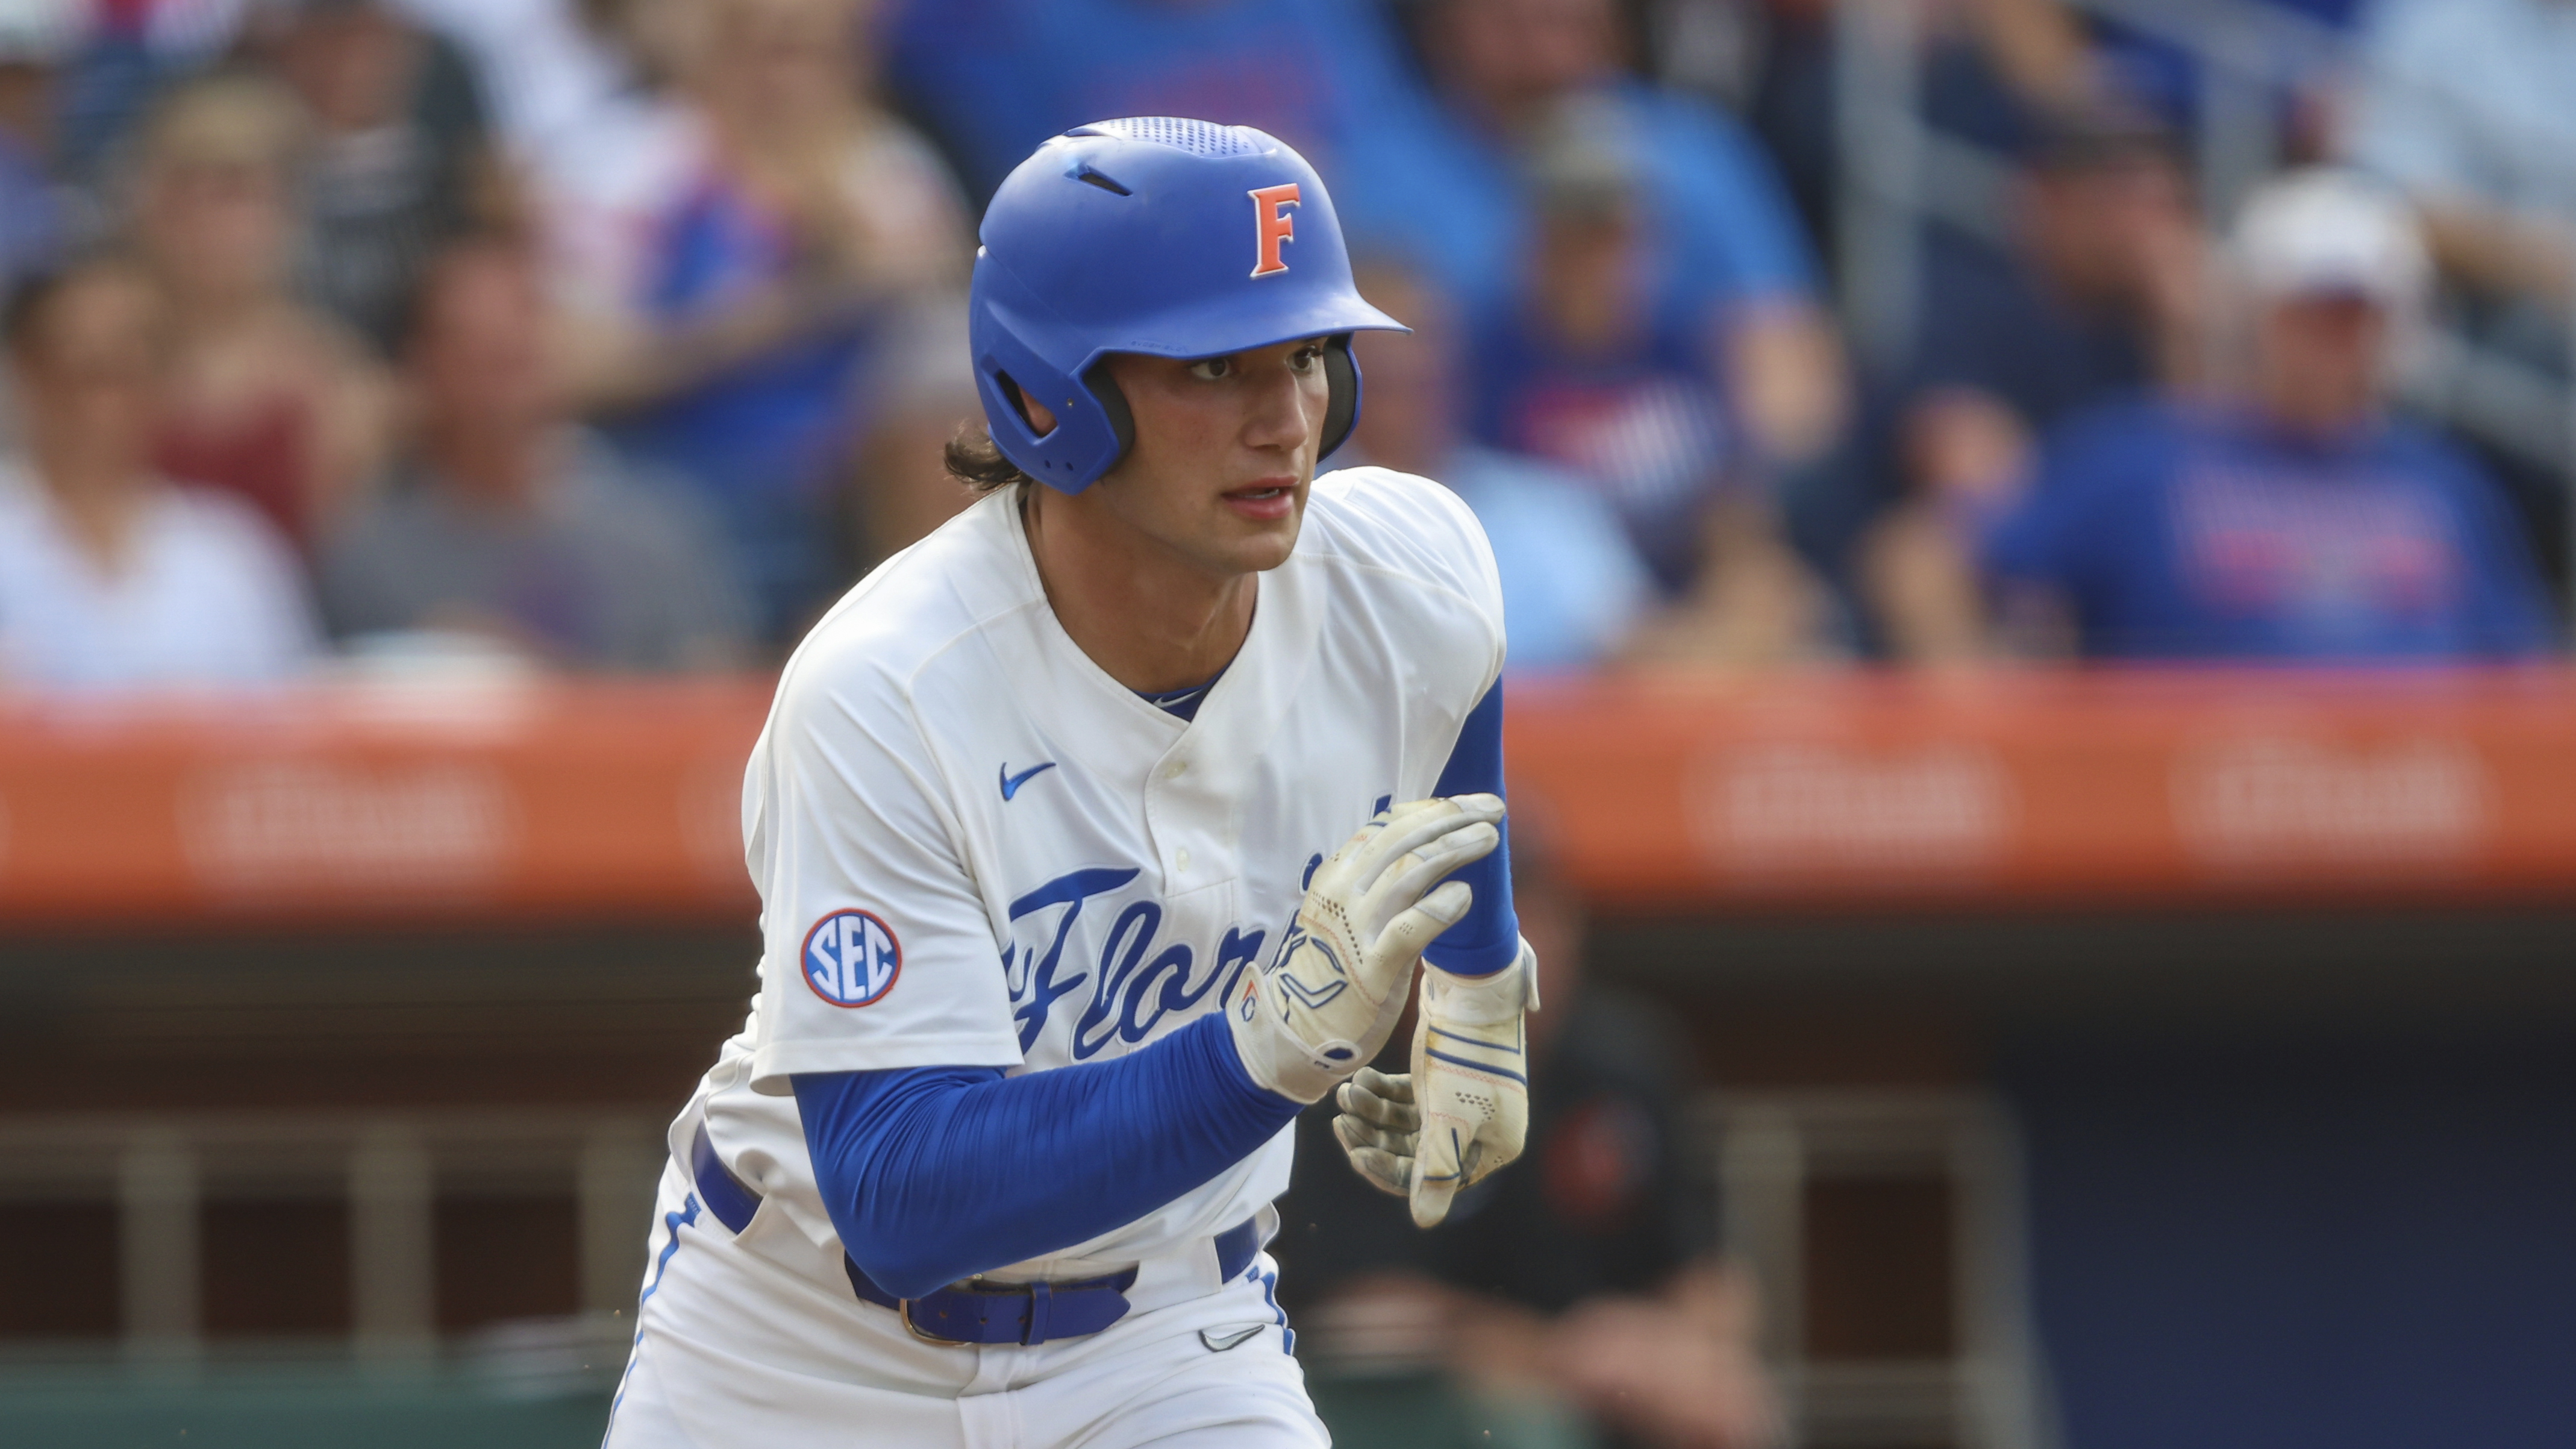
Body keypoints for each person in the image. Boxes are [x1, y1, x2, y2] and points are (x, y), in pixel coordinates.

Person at [602, 119, 1543, 1449]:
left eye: (1309, 357)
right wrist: (1259, 1055)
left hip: (1169, 1334)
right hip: (802, 1344)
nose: (1285, 417)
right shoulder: (887, 684)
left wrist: (1477, 989)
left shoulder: (1411, 572)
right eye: (1214, 364)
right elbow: (899, 1196)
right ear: (1049, 394)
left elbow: (1460, 673)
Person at [1282, 832, 1780, 1449]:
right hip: (1435, 1404)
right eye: (1481, 925)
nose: (1517, 954)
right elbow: (1370, 1307)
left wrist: (1680, 1355)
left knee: (1735, 1405)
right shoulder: (1356, 1077)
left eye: (1535, 916)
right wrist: (1568, 1358)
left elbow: (1709, 1274)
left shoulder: (1622, 1059)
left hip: (1616, 1386)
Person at [1971, 171, 2556, 661]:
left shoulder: (2447, 485)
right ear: (2254, 314)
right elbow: (1933, 562)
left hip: (2414, 784)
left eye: (2357, 317)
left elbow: (2522, 675)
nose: (2335, 342)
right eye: (2311, 314)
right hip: (2191, 784)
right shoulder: (2139, 459)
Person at [549, 0, 973, 640]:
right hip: (674, 479)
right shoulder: (636, 162)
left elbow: (949, 337)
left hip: (848, 492)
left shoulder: (890, 169)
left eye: (826, 54)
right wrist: (774, 316)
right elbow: (573, 364)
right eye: (777, 49)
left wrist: (858, 249)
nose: (797, 78)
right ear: (721, 51)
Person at [1844, 107, 2210, 662]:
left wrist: (2185, 333)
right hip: (1994, 587)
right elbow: (1973, 480)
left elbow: (2213, 492)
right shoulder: (1973, 297)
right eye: (2114, 191)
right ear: (2044, 198)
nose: (2142, 223)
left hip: (2095, 590)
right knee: (1927, 561)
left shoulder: (2158, 332)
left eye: (2163, 198)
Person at [316, 236, 752, 671]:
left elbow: (722, 698)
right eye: (472, 338)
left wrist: (537, 680)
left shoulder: (660, 528)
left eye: (525, 315)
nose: (508, 340)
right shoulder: (372, 560)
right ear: (420, 368)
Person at [0, 255, 318, 687]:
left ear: (165, 377)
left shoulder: (232, 555)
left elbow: (295, 726)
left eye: (125, 361)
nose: (99, 395)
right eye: (75, 359)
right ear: (25, 369)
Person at [127, 71, 394, 552]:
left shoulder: (338, 379)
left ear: (286, 209)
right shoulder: (90, 357)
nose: (203, 210)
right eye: (184, 182)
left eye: (234, 187)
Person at [1342, 260, 1653, 673]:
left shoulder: (1545, 503)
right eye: (1382, 360)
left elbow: (1640, 648)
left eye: (1425, 342)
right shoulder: (1300, 511)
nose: (1410, 362)